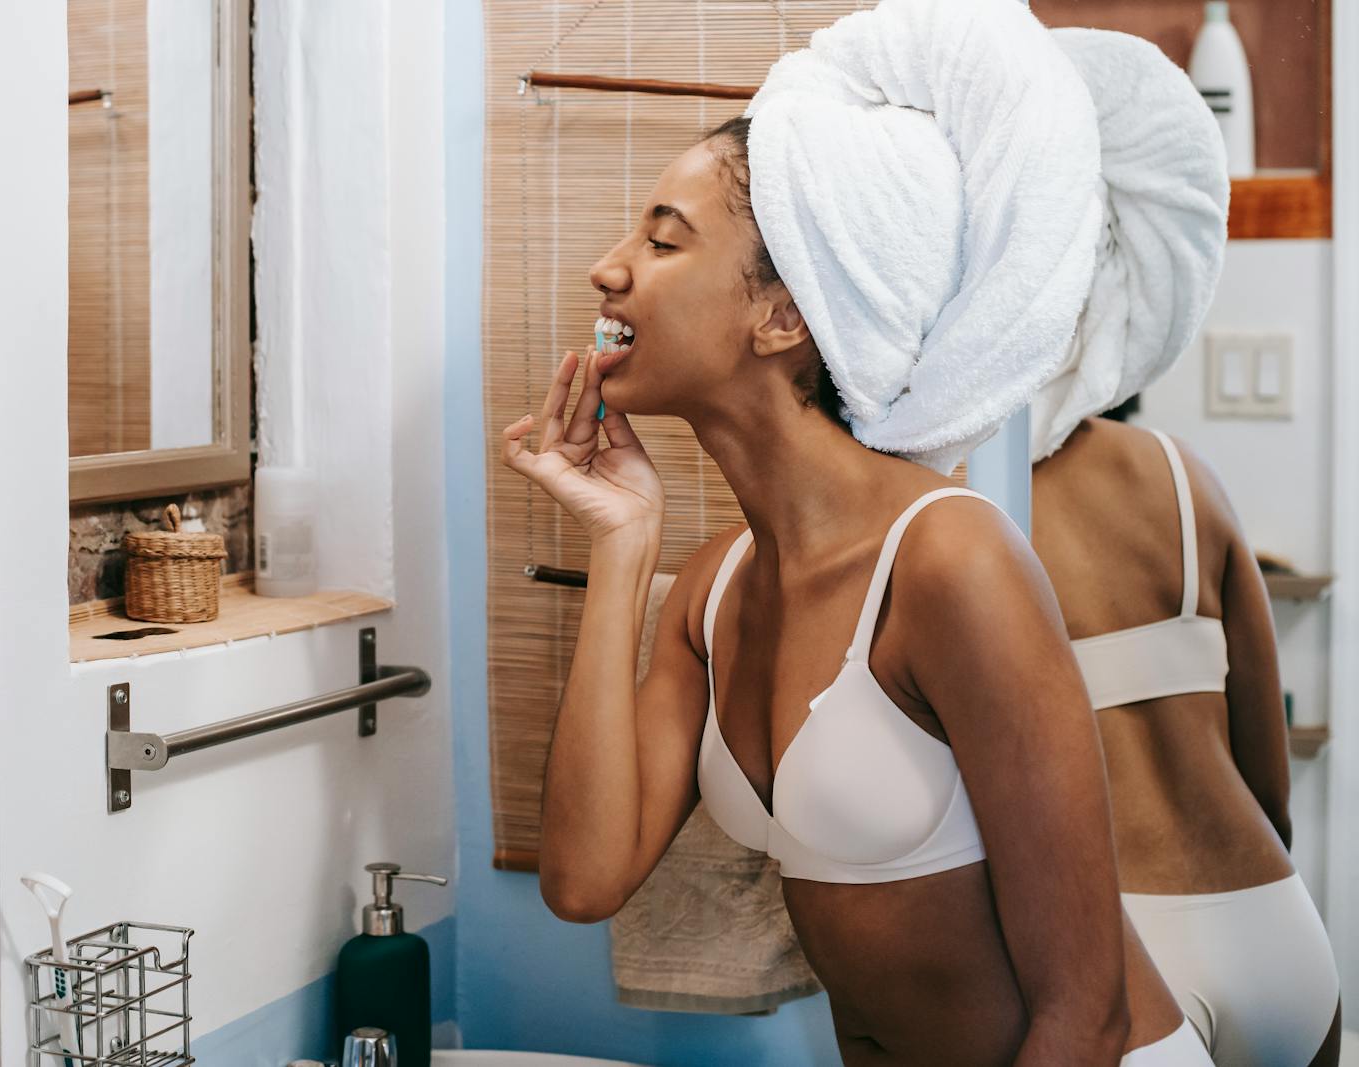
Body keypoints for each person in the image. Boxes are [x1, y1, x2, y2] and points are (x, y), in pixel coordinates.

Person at [499, 3, 1204, 1059]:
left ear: (785, 315)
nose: (609, 268)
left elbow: (1083, 1010)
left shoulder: (950, 562)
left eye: (660, 239)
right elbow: (584, 878)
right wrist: (620, 539)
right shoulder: (714, 586)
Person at [1025, 29, 1341, 1066]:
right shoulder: (1175, 470)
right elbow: (1266, 769)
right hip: (1281, 931)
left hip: (1128, 952)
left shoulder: (955, 514)